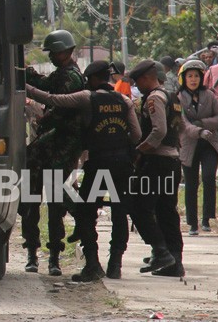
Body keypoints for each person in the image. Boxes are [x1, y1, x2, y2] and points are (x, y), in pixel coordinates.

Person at [27, 61, 141, 281]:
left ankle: (92, 264)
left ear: (92, 79)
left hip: (98, 164)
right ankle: (115, 264)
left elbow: (52, 100)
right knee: (119, 214)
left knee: (86, 213)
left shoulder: (86, 97)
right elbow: (136, 135)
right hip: (122, 166)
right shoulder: (125, 101)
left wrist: (27, 86)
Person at [20, 29, 85, 276]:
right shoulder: (62, 74)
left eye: (54, 52)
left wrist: (45, 119)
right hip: (53, 142)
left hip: (63, 144)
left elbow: (58, 106)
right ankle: (32, 252)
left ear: (66, 52)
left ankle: (54, 256)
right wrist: (25, 72)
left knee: (55, 200)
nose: (51, 57)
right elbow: (45, 83)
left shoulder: (72, 78)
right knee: (31, 197)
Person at [127, 59, 183, 277]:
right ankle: (174, 262)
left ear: (146, 78)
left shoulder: (154, 98)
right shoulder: (173, 97)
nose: (137, 86)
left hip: (157, 162)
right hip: (172, 161)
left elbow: (158, 131)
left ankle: (161, 251)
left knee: (139, 206)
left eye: (138, 81)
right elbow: (180, 129)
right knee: (166, 211)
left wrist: (139, 151)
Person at [176, 59, 218, 236]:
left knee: (209, 177)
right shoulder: (178, 98)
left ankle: (206, 219)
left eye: (196, 76)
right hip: (189, 144)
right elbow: (183, 123)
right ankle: (193, 223)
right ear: (184, 78)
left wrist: (203, 124)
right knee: (191, 183)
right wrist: (198, 131)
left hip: (209, 143)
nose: (193, 79)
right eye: (190, 76)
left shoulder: (209, 96)